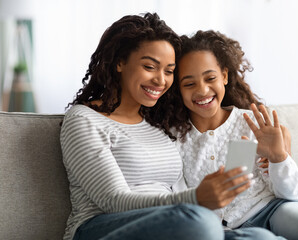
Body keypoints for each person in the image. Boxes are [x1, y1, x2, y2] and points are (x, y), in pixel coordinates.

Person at [60, 13, 263, 240]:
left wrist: (276, 155)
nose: (160, 80)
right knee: (200, 222)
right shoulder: (83, 119)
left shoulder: (158, 123)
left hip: (174, 223)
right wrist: (195, 199)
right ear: (119, 62)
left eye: (168, 71)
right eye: (150, 66)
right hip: (100, 228)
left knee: (261, 237)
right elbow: (113, 200)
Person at [158, 30, 298, 240]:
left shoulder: (253, 124)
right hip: (221, 230)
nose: (202, 90)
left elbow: (292, 195)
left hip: (272, 210)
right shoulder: (173, 137)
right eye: (189, 84)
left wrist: (279, 158)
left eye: (210, 78)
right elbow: (178, 199)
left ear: (224, 76)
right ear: (177, 88)